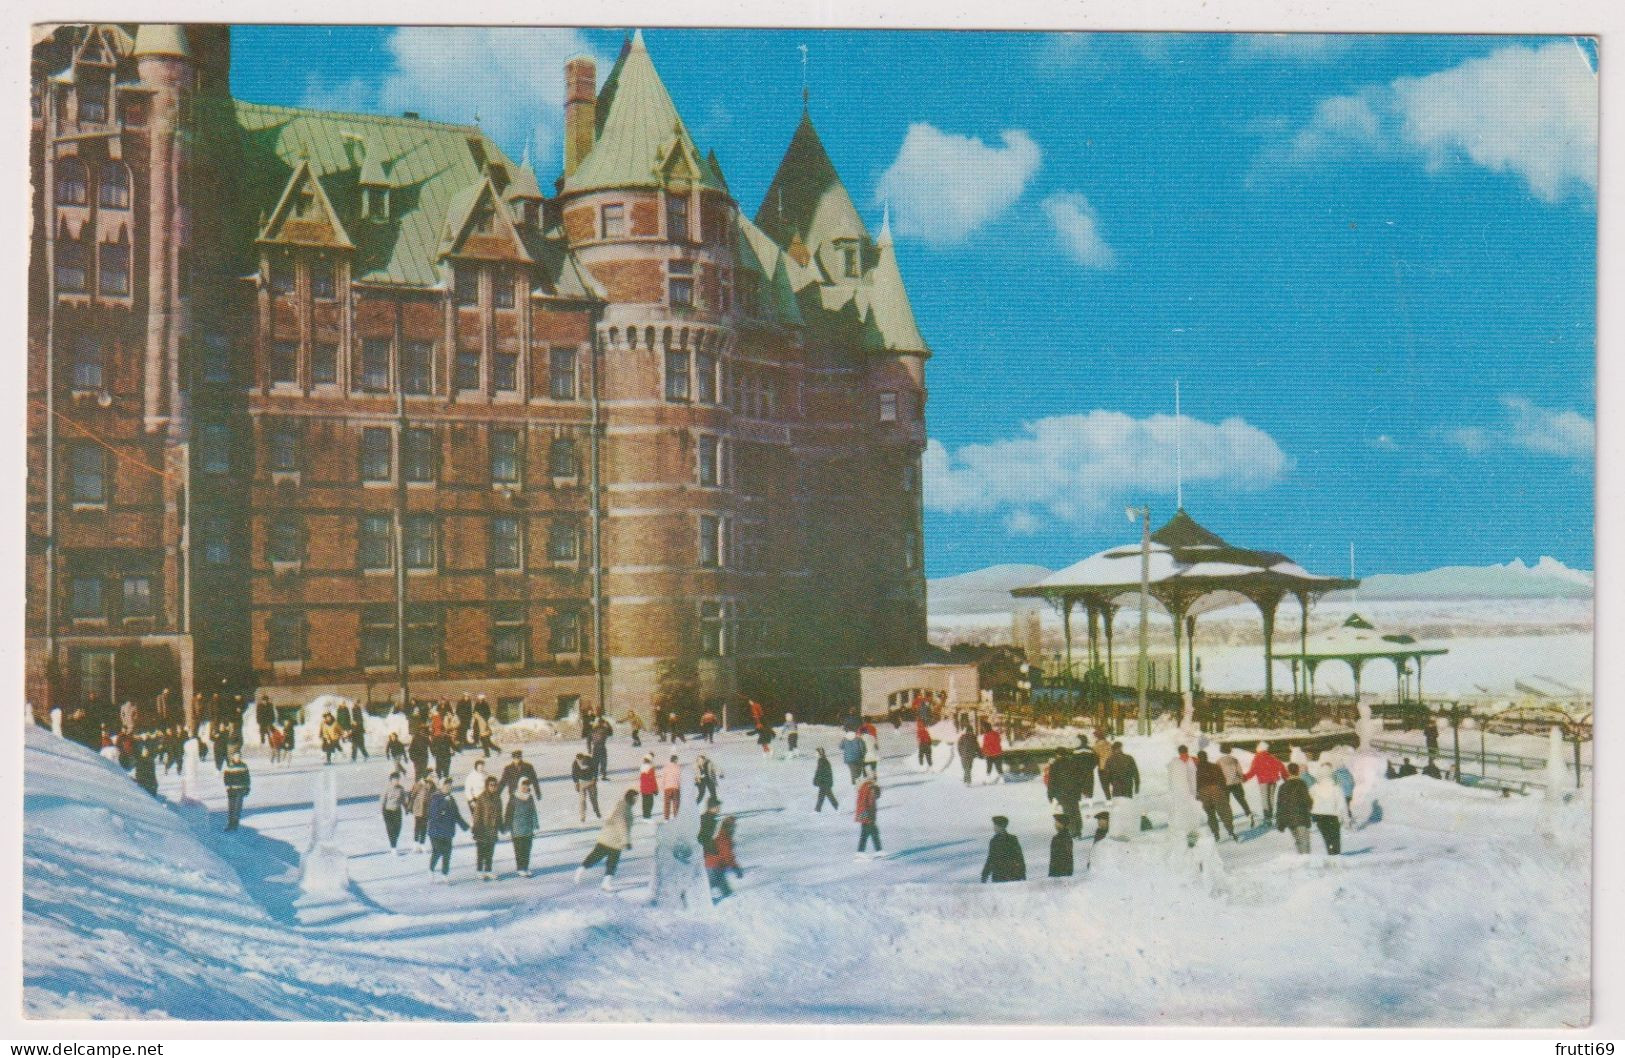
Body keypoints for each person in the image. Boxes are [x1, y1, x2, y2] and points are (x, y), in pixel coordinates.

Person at [575, 789, 637, 891]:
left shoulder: (623, 807)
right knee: (605, 860)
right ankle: (583, 871)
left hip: (609, 838)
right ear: (630, 798)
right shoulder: (623, 809)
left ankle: (604, 882)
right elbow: (622, 826)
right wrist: (627, 842)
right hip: (613, 840)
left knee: (605, 860)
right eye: (635, 798)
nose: (636, 801)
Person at [426, 777, 468, 879]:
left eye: (450, 785)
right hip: (436, 831)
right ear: (441, 786)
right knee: (438, 851)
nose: (448, 787)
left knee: (447, 853)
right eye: (446, 785)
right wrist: (444, 804)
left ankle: (445, 873)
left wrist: (465, 826)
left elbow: (456, 814)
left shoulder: (451, 799)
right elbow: (434, 815)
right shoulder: (435, 798)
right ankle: (431, 869)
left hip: (448, 830)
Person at [1195, 750, 1237, 842]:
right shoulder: (1215, 766)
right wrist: (1224, 791)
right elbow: (1222, 780)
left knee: (1210, 814)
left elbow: (1194, 784)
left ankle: (1215, 833)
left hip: (1204, 792)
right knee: (1224, 812)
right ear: (1206, 757)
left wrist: (1197, 795)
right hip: (1216, 790)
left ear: (1198, 758)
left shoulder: (1196, 769)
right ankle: (1230, 830)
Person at [469, 775, 504, 881]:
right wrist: (476, 828)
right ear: (487, 786)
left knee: (490, 851)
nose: (493, 787)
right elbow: (477, 814)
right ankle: (479, 871)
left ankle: (488, 870)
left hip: (493, 829)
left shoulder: (498, 797)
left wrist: (501, 825)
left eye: (495, 785)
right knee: (481, 851)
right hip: (482, 828)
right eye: (491, 785)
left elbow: (499, 813)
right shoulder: (482, 797)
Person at [1242, 742, 1286, 823]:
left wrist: (1245, 777)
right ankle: (1271, 814)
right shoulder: (1272, 757)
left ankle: (1267, 817)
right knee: (1271, 798)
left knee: (1265, 799)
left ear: (1259, 748)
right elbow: (1281, 766)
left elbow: (1253, 771)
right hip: (1273, 780)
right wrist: (1285, 776)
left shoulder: (1257, 758)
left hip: (1263, 781)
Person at [1309, 763, 1348, 855]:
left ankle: (1330, 852)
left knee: (1327, 837)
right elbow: (1342, 804)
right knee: (1335, 838)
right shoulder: (1336, 788)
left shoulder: (1314, 788)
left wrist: (1311, 813)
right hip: (1332, 816)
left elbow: (1308, 801)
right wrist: (1345, 819)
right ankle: (1335, 855)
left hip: (1319, 816)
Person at [1275, 762, 1313, 854]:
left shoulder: (1283, 786)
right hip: (1301, 817)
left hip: (1289, 819)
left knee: (1298, 842)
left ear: (1288, 772)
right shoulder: (1301, 784)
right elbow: (1308, 801)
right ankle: (1306, 863)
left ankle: (1301, 862)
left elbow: (1280, 805)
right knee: (1304, 843)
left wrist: (1280, 822)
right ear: (1298, 772)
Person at [706, 815, 742, 900]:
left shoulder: (722, 836)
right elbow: (728, 856)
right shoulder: (724, 839)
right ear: (728, 827)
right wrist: (735, 868)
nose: (734, 829)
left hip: (714, 865)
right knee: (716, 883)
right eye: (732, 827)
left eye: (734, 827)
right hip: (714, 865)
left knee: (716, 883)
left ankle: (725, 896)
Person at [980, 815, 1026, 882]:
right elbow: (991, 858)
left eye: (995, 825)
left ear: (1001, 826)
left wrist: (1022, 873)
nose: (994, 828)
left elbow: (1019, 857)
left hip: (1012, 876)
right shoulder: (994, 841)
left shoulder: (1012, 839)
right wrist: (984, 874)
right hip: (998, 876)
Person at [1215, 747, 1252, 825]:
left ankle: (1228, 818)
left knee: (1226, 802)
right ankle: (1248, 813)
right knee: (1241, 800)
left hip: (1225, 784)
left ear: (1221, 752)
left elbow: (1217, 773)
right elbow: (1239, 771)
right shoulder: (1234, 760)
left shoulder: (1219, 761)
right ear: (1230, 751)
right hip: (1236, 783)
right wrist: (1242, 779)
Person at [379, 771, 408, 853]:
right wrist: (381, 812)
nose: (397, 781)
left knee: (398, 828)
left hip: (397, 811)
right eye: (395, 779)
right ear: (391, 780)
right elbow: (382, 801)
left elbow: (403, 800)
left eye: (398, 779)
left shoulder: (401, 788)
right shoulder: (387, 788)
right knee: (391, 829)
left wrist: (406, 808)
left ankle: (394, 843)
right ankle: (393, 847)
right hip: (387, 811)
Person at [222, 751, 250, 831]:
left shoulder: (244, 766)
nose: (237, 758)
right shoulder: (229, 766)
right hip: (231, 790)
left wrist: (247, 787)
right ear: (233, 757)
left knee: (237, 808)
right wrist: (228, 787)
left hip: (240, 790)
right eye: (236, 756)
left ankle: (235, 825)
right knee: (231, 808)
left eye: (239, 757)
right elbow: (226, 778)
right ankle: (230, 824)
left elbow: (247, 778)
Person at [409, 772, 436, 853]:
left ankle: (422, 844)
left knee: (424, 827)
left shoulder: (432, 785)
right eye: (430, 776)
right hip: (418, 808)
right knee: (417, 826)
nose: (432, 778)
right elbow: (412, 795)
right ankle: (415, 844)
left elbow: (435, 795)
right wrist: (410, 806)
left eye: (433, 776)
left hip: (427, 809)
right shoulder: (419, 784)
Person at [854, 776, 882, 856]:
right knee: (873, 832)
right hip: (867, 813)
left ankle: (862, 852)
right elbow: (871, 803)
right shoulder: (871, 788)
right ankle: (878, 851)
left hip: (862, 812)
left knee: (865, 833)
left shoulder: (865, 786)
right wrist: (870, 816)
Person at [573, 751, 601, 822]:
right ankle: (582, 816)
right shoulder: (575, 763)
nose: (580, 762)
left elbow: (595, 769)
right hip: (582, 782)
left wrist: (594, 778)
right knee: (582, 800)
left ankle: (596, 811)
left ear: (583, 758)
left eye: (581, 760)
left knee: (593, 798)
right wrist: (576, 783)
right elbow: (574, 773)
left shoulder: (590, 760)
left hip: (591, 782)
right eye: (578, 760)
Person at [813, 747, 839, 812]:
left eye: (816, 753)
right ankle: (818, 809)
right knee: (824, 796)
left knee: (826, 796)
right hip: (825, 782)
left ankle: (837, 807)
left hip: (824, 782)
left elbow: (820, 772)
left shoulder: (822, 761)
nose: (815, 754)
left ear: (819, 754)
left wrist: (817, 780)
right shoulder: (822, 760)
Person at [661, 754, 684, 820]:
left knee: (667, 803)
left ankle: (666, 818)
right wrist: (680, 787)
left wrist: (663, 787)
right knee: (676, 804)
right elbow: (680, 779)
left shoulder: (666, 767)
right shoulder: (678, 767)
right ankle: (676, 818)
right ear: (676, 760)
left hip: (667, 788)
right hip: (675, 787)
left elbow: (663, 778)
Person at [590, 716, 613, 780]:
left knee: (595, 762)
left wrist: (589, 748)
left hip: (595, 747)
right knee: (603, 762)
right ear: (602, 723)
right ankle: (603, 776)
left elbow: (589, 738)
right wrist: (608, 724)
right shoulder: (604, 729)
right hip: (601, 747)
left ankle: (595, 776)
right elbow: (611, 733)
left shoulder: (593, 729)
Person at [637, 755, 659, 819]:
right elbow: (652, 780)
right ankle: (648, 815)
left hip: (643, 789)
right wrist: (655, 789)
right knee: (650, 803)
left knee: (644, 802)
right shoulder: (650, 769)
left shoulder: (642, 768)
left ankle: (645, 814)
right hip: (649, 789)